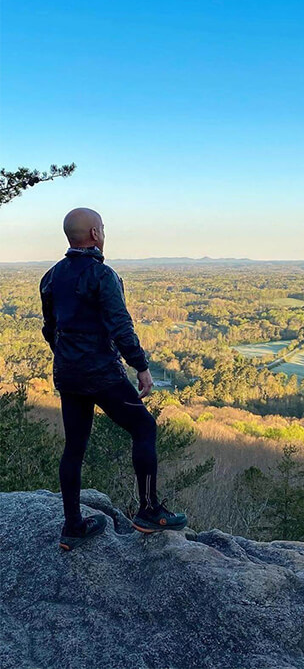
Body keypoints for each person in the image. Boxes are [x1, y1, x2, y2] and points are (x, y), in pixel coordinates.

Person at [39, 207, 187, 551]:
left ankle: (73, 526)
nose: (104, 232)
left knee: (74, 447)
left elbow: (50, 329)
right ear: (94, 234)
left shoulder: (50, 277)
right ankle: (149, 510)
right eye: (102, 227)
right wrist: (141, 366)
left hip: (69, 373)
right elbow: (121, 326)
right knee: (144, 428)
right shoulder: (102, 275)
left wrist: (65, 359)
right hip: (101, 373)